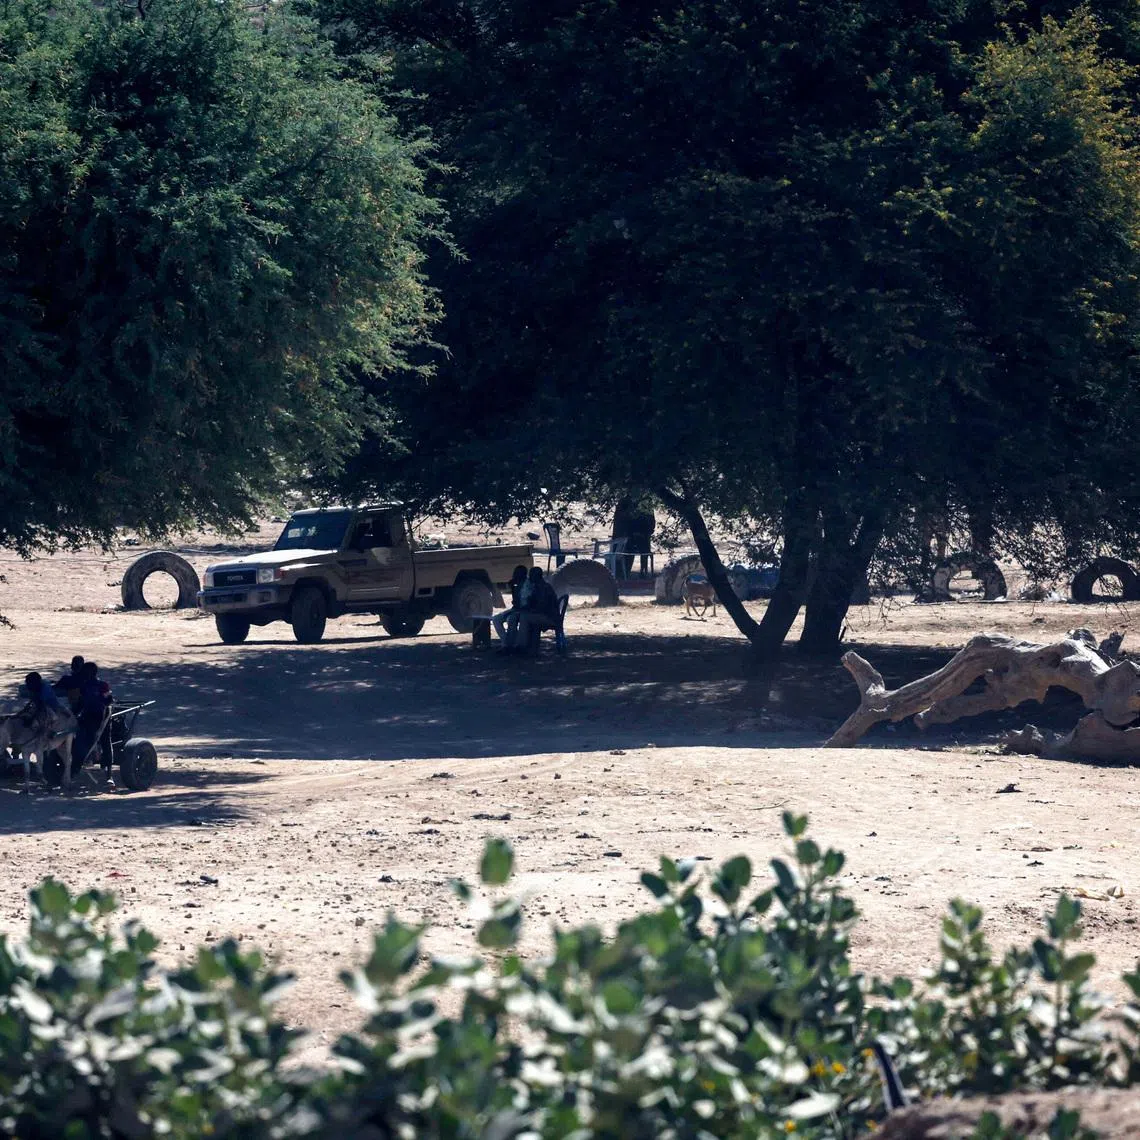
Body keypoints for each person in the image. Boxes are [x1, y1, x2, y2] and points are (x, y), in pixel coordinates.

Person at [516, 566, 561, 651]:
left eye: (531, 575)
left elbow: (542, 607)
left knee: (524, 617)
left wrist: (529, 609)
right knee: (525, 616)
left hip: (549, 617)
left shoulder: (543, 588)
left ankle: (522, 646)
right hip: (545, 615)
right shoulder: (539, 586)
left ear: (536, 576)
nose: (529, 577)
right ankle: (527, 645)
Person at [493, 565, 528, 647]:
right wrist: (513, 587)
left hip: (523, 610)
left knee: (511, 619)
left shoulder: (527, 585)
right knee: (496, 619)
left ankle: (512, 644)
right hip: (515, 609)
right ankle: (506, 643)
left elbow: (523, 603)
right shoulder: (515, 584)